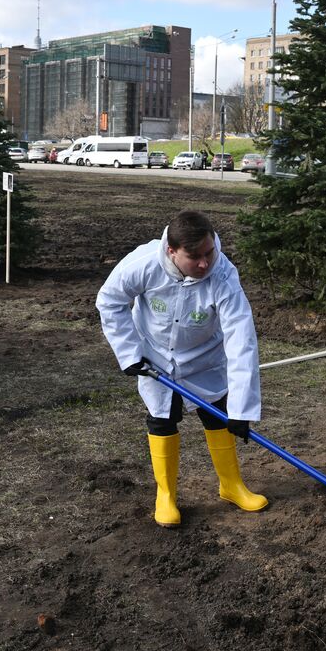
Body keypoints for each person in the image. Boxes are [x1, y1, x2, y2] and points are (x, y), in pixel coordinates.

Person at [96, 209, 267, 527]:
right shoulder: (144, 263)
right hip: (155, 359)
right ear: (171, 251)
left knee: (219, 415)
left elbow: (242, 340)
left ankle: (231, 486)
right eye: (195, 257)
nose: (205, 263)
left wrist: (243, 410)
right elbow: (110, 300)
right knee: (163, 419)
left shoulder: (223, 275)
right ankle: (166, 496)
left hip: (205, 359)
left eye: (209, 252)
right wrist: (130, 352)